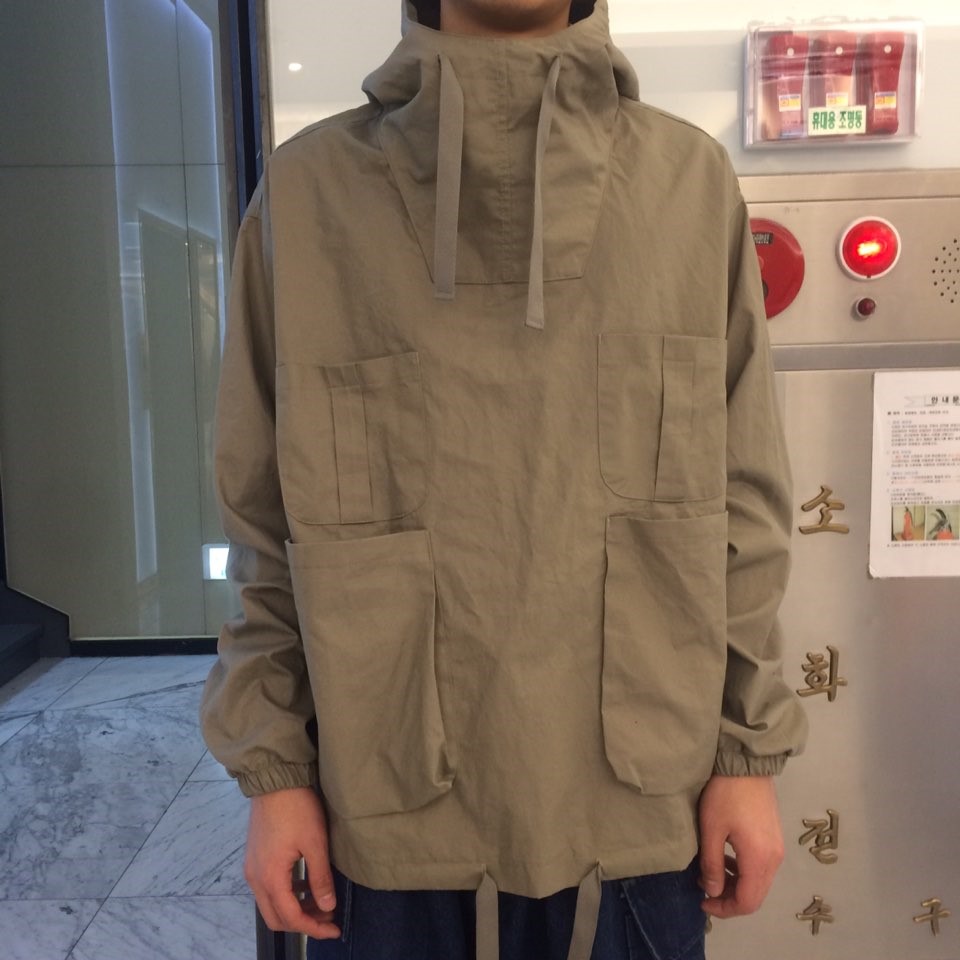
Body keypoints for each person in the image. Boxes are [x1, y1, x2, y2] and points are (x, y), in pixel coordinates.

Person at [200, 2, 809, 958]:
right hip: (383, 820)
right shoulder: (307, 197)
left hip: (641, 814)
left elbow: (744, 502)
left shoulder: (688, 183)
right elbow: (263, 517)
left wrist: (746, 752)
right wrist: (274, 773)